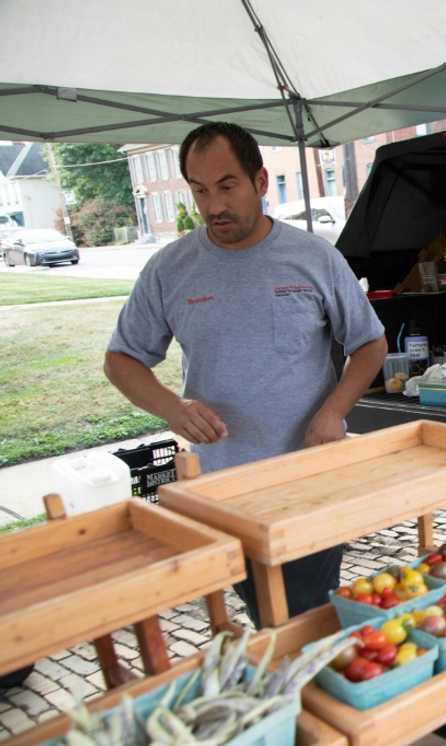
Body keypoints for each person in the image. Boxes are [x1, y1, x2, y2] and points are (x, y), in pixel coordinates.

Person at [104, 122, 388, 626]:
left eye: (227, 185)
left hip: (306, 474)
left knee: (305, 613)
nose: (213, 205)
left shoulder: (314, 257)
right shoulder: (170, 269)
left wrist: (333, 412)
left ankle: (315, 691)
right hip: (222, 487)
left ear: (259, 182)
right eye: (199, 190)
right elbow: (122, 359)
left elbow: (370, 343)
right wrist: (173, 408)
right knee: (263, 608)